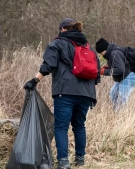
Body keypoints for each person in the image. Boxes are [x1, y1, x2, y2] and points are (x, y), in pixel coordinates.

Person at [24, 18, 100, 169]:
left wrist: (34, 81)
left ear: (62, 29)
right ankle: (80, 160)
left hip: (65, 92)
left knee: (61, 127)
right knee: (79, 126)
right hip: (86, 94)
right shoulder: (89, 48)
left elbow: (48, 65)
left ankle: (64, 162)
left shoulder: (57, 43)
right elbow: (97, 75)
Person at [95, 38, 135, 111]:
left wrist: (104, 71)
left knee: (122, 99)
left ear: (104, 50)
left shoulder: (115, 53)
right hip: (123, 77)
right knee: (113, 94)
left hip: (128, 77)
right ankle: (116, 113)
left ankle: (121, 117)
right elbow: (119, 65)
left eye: (101, 53)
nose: (102, 55)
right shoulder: (113, 52)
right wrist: (108, 68)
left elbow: (120, 70)